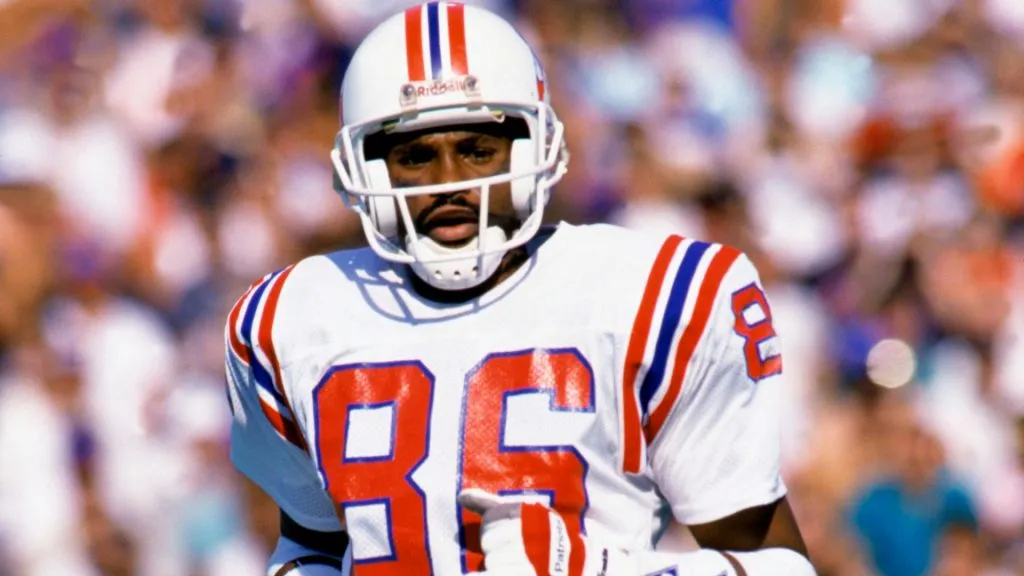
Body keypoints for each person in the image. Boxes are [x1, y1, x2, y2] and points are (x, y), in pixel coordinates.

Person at [225, 2, 814, 575]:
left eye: (478, 151)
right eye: (414, 156)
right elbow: (310, 543)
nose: (448, 182)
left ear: (537, 148)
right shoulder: (289, 321)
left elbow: (780, 566)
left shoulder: (657, 297)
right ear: (364, 170)